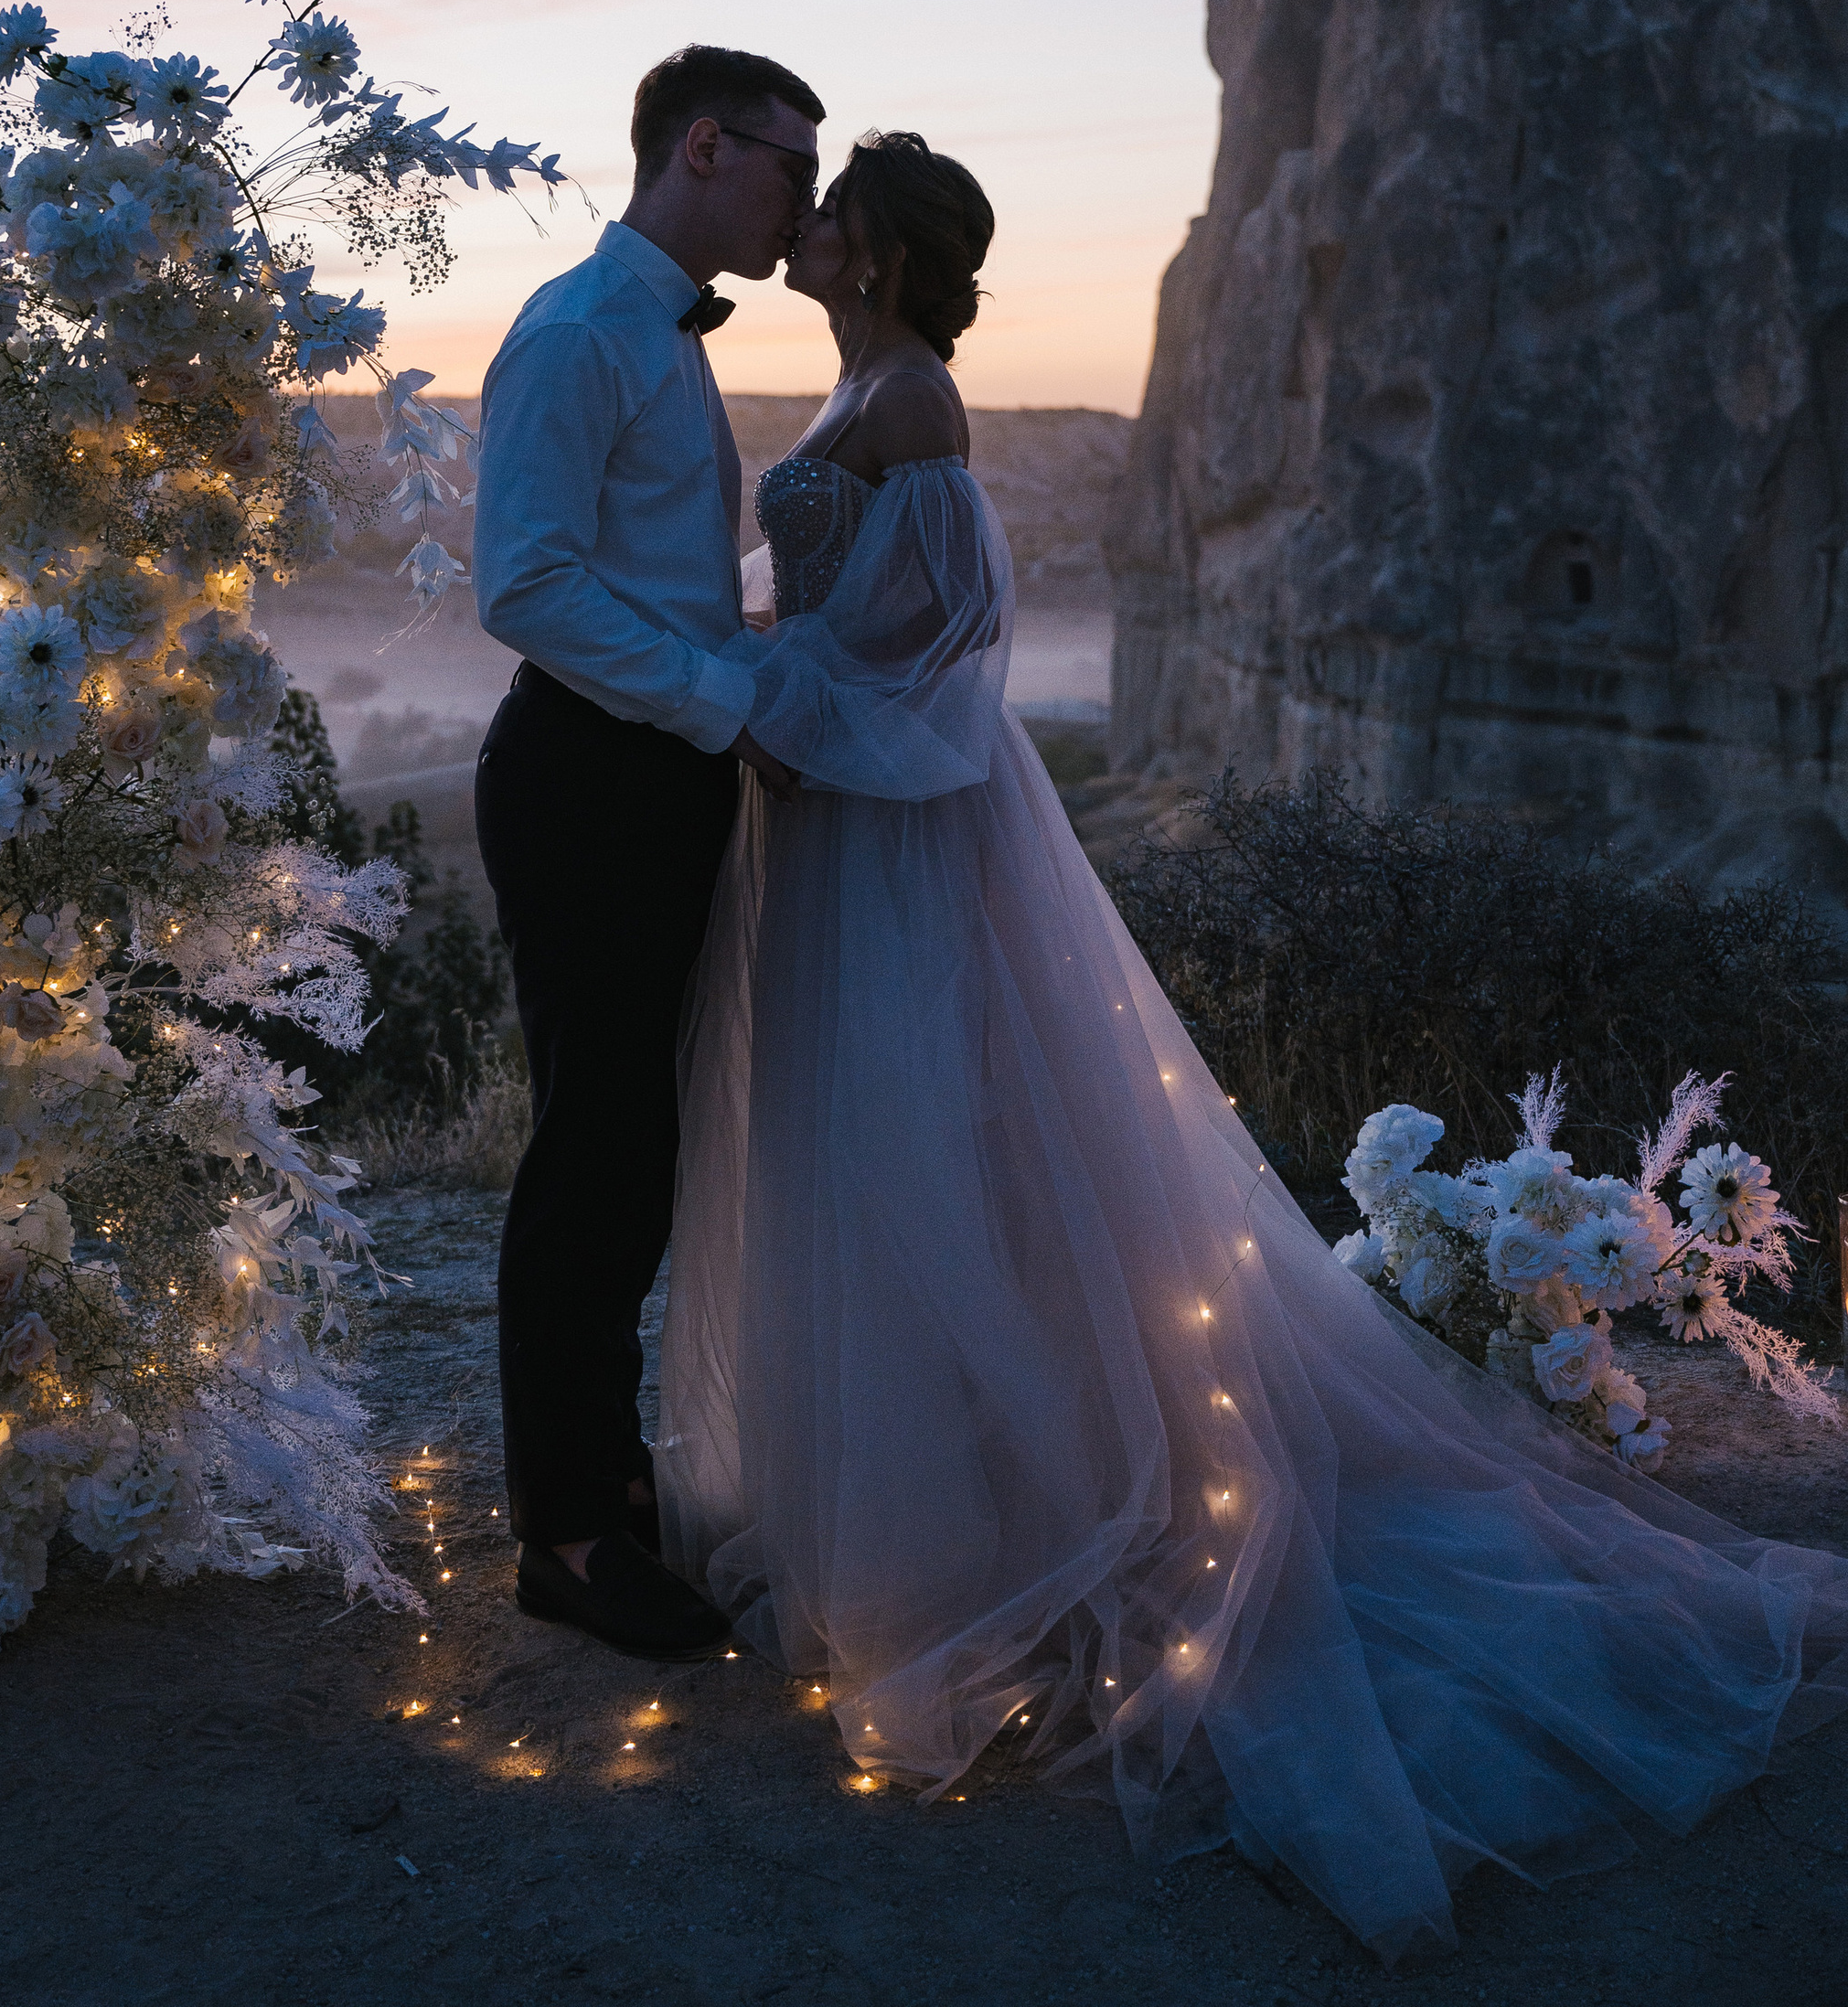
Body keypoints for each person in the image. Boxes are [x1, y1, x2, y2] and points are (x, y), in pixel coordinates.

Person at [658, 127, 1848, 1961]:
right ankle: (908, 1496)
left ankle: (985, 1525)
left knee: (917, 1148)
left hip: (890, 841)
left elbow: (950, 652)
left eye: (829, 210)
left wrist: (753, 699)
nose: (800, 226)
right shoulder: (857, 391)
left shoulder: (912, 408)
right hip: (828, 836)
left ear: (880, 254)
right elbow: (852, 622)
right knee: (856, 1154)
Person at [472, 41, 823, 1658]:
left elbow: (656, 572)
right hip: (588, 778)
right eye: (785, 170)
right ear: (702, 147)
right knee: (592, 1150)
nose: (799, 205)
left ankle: (605, 1487)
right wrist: (713, 700)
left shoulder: (656, 332)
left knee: (637, 1148)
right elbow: (526, 586)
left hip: (657, 767)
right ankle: (559, 1534)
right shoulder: (580, 332)